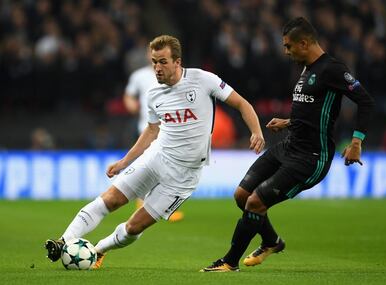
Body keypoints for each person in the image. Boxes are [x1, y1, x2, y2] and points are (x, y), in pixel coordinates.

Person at [44, 34, 265, 269]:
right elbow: (151, 131)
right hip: (156, 157)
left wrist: (256, 132)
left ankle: (98, 250)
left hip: (184, 176)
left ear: (177, 62)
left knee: (134, 227)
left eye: (162, 62)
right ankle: (63, 241)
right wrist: (124, 162)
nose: (157, 68)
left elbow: (242, 103)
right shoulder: (153, 93)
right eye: (154, 62)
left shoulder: (203, 80)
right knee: (110, 199)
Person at [201, 17, 375, 272]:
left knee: (255, 203)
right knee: (241, 196)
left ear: (304, 43)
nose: (286, 52)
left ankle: (229, 262)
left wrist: (357, 141)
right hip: (289, 144)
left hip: (311, 157)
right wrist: (288, 122)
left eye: (289, 46)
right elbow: (314, 110)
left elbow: (366, 101)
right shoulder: (306, 69)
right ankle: (271, 241)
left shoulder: (333, 69)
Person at [123, 47, 184, 222]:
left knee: (169, 168)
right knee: (149, 165)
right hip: (148, 127)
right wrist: (130, 104)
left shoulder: (174, 74)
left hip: (172, 127)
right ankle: (143, 204)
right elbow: (128, 95)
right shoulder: (139, 76)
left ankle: (162, 205)